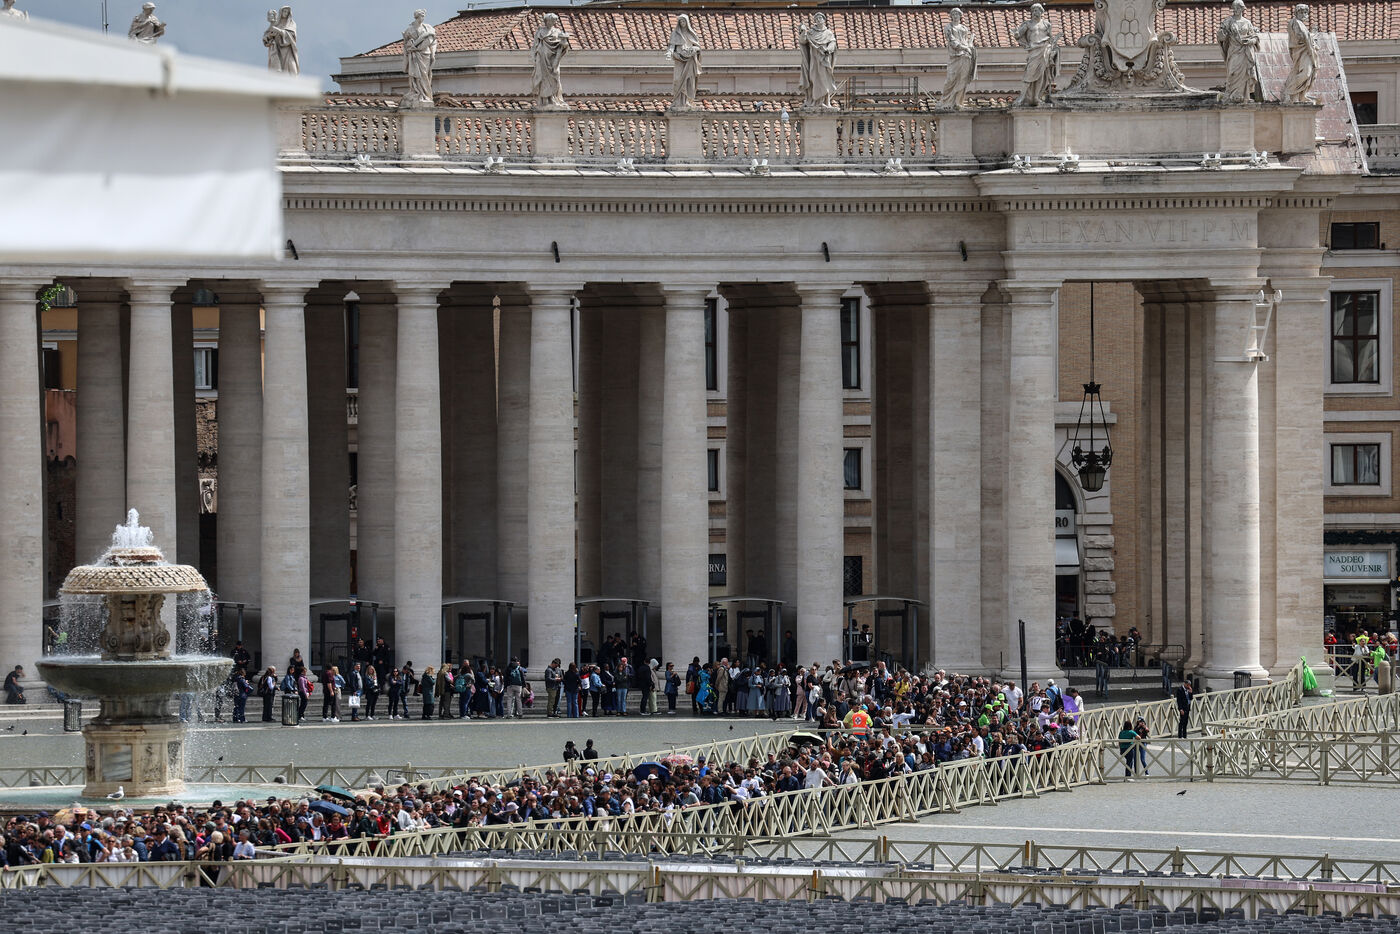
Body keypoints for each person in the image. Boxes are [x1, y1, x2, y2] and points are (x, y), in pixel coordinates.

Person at [1013, 4, 1059, 106]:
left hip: (1044, 49)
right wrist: (1016, 34)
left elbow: (1050, 38)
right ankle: (1022, 97)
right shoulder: (1028, 24)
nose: (1034, 13)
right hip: (1033, 51)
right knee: (1029, 73)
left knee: (1041, 75)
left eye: (1036, 10)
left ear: (1041, 12)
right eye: (1033, 11)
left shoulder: (1047, 24)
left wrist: (1053, 48)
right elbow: (1019, 34)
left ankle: (1036, 97)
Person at [1218, 0, 1263, 103]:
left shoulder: (1247, 23)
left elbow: (1255, 37)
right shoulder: (1228, 21)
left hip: (1245, 52)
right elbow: (1221, 35)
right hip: (1234, 51)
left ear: (1242, 9)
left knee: (1245, 74)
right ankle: (1231, 94)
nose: (1235, 10)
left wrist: (1251, 41)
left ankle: (1244, 95)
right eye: (1234, 8)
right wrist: (1222, 35)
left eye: (1238, 8)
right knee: (1232, 72)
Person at [797, 12, 838, 110]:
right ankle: (813, 101)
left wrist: (828, 50)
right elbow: (803, 41)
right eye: (816, 18)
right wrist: (803, 31)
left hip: (824, 60)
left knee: (825, 80)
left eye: (820, 18)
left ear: (824, 20)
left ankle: (825, 101)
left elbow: (833, 43)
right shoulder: (811, 33)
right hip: (814, 61)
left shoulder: (828, 33)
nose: (818, 20)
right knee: (813, 78)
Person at [530, 12, 571, 109]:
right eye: (549, 21)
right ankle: (544, 100)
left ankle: (554, 98)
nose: (551, 22)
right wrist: (535, 57)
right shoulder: (540, 32)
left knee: (554, 77)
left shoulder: (557, 32)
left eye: (553, 21)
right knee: (543, 78)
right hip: (542, 58)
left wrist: (564, 45)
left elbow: (562, 46)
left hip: (553, 60)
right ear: (546, 21)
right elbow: (535, 46)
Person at [942, 8, 978, 110]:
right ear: (951, 16)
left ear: (960, 16)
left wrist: (970, 45)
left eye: (957, 14)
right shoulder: (948, 27)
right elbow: (952, 41)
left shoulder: (964, 28)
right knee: (950, 79)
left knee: (963, 79)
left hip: (965, 56)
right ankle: (946, 101)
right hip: (955, 56)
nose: (955, 16)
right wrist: (964, 47)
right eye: (953, 14)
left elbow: (965, 41)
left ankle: (958, 102)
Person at [401, 9, 437, 107]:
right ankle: (416, 91)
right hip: (414, 54)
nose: (423, 18)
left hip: (425, 54)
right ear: (417, 17)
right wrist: (410, 46)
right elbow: (405, 44)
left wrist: (433, 54)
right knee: (415, 74)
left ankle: (425, 94)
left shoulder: (428, 28)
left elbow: (433, 41)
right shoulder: (409, 29)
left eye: (423, 16)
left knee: (425, 74)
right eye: (421, 16)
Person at [666, 14, 702, 110]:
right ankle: (678, 101)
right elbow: (671, 46)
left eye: (683, 21)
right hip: (679, 59)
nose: (682, 23)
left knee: (688, 80)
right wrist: (669, 53)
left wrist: (694, 49)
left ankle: (686, 101)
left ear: (687, 22)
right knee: (677, 80)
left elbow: (698, 47)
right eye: (681, 21)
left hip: (689, 60)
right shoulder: (675, 34)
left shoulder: (691, 34)